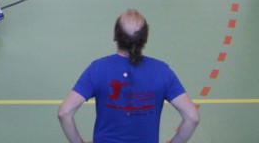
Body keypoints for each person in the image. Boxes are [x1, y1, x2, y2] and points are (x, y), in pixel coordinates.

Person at [57, 9, 200, 143]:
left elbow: (64, 112)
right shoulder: (162, 71)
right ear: (145, 38)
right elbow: (192, 117)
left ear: (115, 35)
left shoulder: (97, 68)